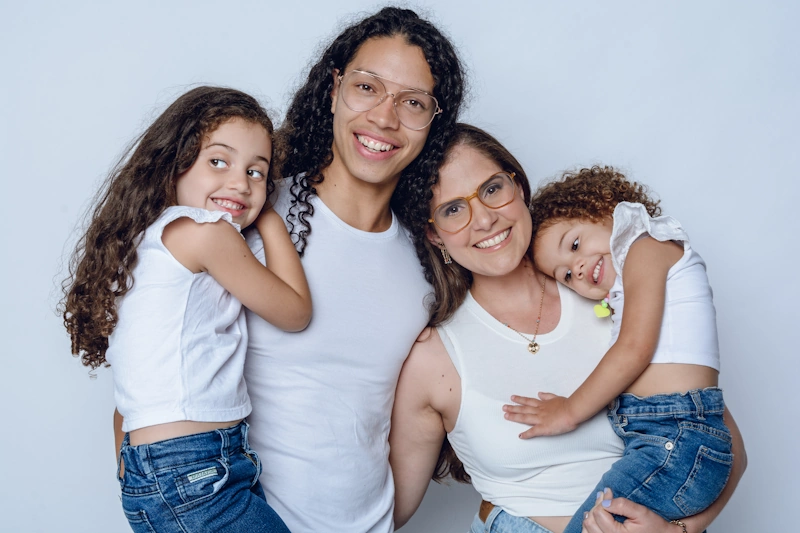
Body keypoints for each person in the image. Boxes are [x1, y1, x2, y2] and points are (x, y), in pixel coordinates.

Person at [389, 123, 746, 533]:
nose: (484, 219)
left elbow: (718, 439)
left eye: (491, 189)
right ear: (433, 234)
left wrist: (677, 531)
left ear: (518, 186)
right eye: (453, 209)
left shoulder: (608, 292)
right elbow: (389, 510)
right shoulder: (431, 354)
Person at [242, 7, 465, 532]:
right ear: (335, 87)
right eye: (368, 87)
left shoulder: (432, 263)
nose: (385, 119)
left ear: (434, 122)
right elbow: (152, 378)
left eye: (413, 102)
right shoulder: (250, 210)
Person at [61, 86, 312, 533]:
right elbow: (294, 312)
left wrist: (139, 463)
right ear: (174, 163)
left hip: (168, 469)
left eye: (258, 172)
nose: (241, 183)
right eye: (219, 161)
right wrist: (271, 218)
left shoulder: (138, 245)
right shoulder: (207, 234)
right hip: (196, 469)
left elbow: (129, 393)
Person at [525, 167, 730, 532]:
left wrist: (568, 411)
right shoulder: (625, 287)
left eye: (574, 245)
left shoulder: (647, 245)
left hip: (676, 438)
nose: (579, 267)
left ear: (603, 209)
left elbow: (635, 348)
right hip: (661, 439)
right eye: (566, 275)